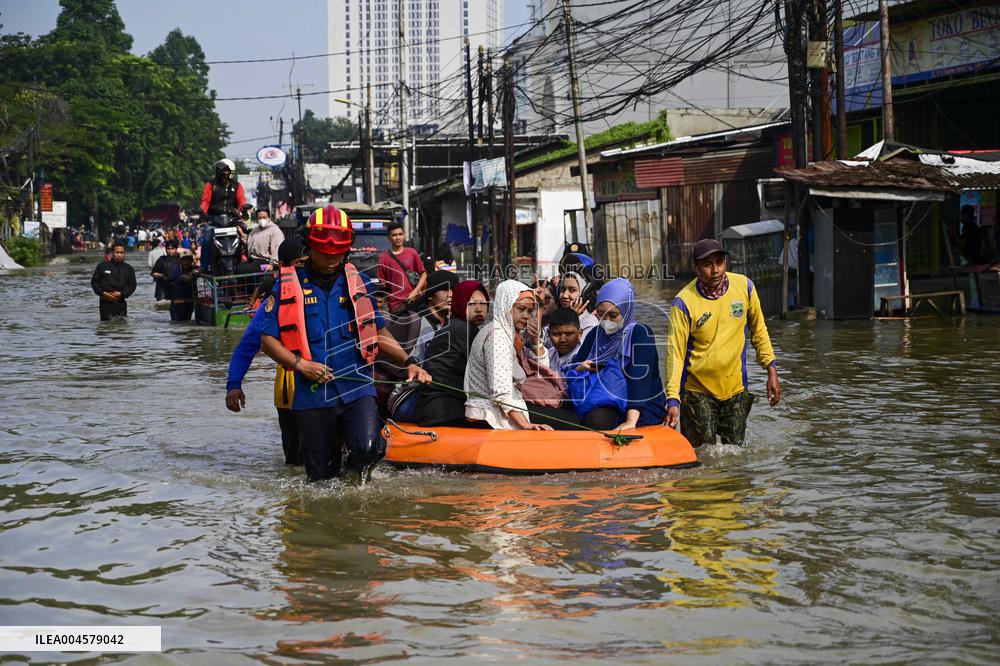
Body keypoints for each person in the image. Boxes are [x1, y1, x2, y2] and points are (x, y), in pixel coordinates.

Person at [258, 205, 431, 483]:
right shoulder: (286, 287)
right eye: (324, 253)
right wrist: (300, 365)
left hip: (357, 387)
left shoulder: (358, 284)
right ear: (309, 248)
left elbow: (376, 330)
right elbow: (267, 340)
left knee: (368, 448)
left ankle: (353, 487)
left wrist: (409, 362)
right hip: (312, 395)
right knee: (321, 479)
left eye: (337, 254)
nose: (330, 259)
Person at [665, 238, 780, 447]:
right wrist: (673, 398)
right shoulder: (683, 303)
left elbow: (759, 331)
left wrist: (771, 369)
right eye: (708, 264)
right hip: (697, 391)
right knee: (704, 456)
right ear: (696, 268)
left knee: (735, 454)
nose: (715, 270)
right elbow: (675, 353)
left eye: (719, 262)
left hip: (735, 389)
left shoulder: (744, 287)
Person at [225, 237, 309, 466]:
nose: (307, 270)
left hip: (332, 381)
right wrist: (234, 384)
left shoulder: (332, 290)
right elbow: (247, 347)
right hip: (292, 384)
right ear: (284, 267)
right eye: (301, 264)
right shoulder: (275, 301)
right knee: (296, 462)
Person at [465, 280, 580, 431]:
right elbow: (501, 392)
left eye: (529, 310)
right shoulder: (497, 336)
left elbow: (542, 371)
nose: (526, 316)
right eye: (521, 309)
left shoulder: (511, 334)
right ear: (506, 306)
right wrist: (525, 424)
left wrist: (535, 339)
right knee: (571, 421)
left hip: (512, 405)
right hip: (490, 412)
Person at [567, 278, 665, 431]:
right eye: (601, 314)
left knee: (596, 421)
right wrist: (581, 367)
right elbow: (573, 367)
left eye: (613, 315)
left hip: (636, 406)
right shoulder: (595, 334)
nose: (606, 321)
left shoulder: (639, 334)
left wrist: (631, 420)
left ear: (626, 310)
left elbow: (640, 378)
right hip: (599, 396)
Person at [391, 280, 490, 426]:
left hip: (439, 407)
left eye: (483, 303)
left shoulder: (460, 327)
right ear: (460, 302)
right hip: (442, 410)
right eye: (472, 303)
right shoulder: (463, 330)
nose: (479, 309)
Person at [199, 158, 247, 272]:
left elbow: (241, 200)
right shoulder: (210, 185)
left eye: (226, 171)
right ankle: (204, 266)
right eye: (220, 171)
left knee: (245, 237)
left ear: (231, 172)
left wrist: (242, 210)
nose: (223, 174)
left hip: (232, 219)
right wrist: (202, 212)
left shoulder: (237, 186)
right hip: (214, 220)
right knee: (206, 240)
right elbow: (205, 201)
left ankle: (247, 259)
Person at [377, 221, 427, 313]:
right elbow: (383, 284)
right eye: (394, 235)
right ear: (389, 237)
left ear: (404, 236)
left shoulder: (412, 253)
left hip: (415, 301)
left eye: (400, 234)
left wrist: (415, 292)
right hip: (395, 306)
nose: (398, 237)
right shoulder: (383, 258)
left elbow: (423, 274)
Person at [412, 269, 459, 362]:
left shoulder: (455, 324)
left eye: (453, 290)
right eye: (445, 289)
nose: (450, 295)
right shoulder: (416, 323)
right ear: (430, 295)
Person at [91, 241, 136, 321]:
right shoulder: (102, 266)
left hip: (121, 302)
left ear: (124, 253)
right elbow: (94, 282)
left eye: (121, 252)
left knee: (122, 329)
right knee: (106, 328)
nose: (119, 255)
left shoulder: (128, 268)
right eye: (117, 252)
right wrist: (103, 293)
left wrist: (122, 294)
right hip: (105, 303)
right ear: (112, 253)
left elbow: (132, 285)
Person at [557, 267, 600, 340]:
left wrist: (572, 320)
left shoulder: (590, 324)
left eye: (572, 290)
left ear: (584, 294)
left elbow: (570, 349)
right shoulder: (558, 316)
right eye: (563, 289)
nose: (564, 295)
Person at [547, 307, 584, 373]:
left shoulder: (586, 356)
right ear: (549, 334)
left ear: (579, 334)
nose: (562, 340)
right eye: (556, 334)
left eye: (568, 334)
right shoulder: (549, 355)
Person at [169, 254, 197, 321]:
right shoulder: (176, 270)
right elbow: (183, 278)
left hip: (189, 301)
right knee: (177, 324)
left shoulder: (194, 269)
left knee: (187, 321)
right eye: (184, 260)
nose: (186, 262)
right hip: (177, 303)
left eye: (188, 259)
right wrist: (194, 275)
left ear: (191, 260)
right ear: (180, 261)